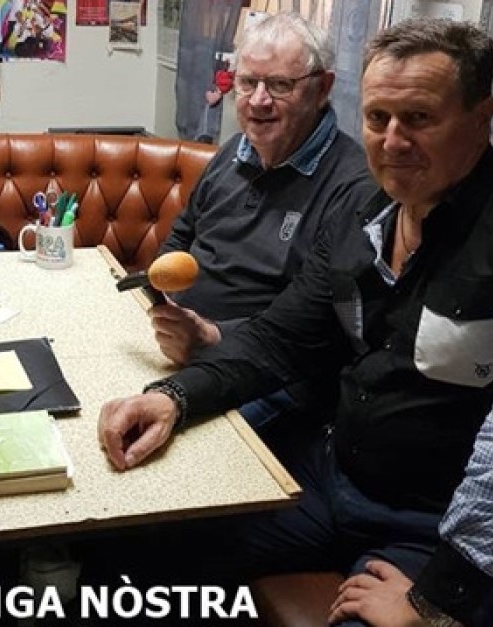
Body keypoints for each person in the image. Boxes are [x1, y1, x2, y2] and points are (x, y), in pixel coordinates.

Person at [99, 17, 493, 627]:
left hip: (430, 528)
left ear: (480, 118)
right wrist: (174, 397)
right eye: (378, 118)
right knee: (132, 553)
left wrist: (440, 599)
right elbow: (281, 337)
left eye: (419, 118)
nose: (392, 141)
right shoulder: (364, 212)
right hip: (331, 476)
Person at [155, 13, 376, 428]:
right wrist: (163, 304)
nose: (258, 101)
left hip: (270, 376)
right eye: (247, 82)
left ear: (323, 88)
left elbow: (317, 324)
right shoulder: (232, 152)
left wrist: (213, 336)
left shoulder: (354, 187)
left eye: (279, 85)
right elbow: (181, 235)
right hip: (178, 344)